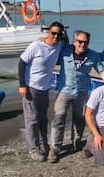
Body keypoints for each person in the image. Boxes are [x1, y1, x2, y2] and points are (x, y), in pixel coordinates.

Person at [48, 30, 104, 163]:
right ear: (74, 41)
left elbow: (102, 71)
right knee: (59, 117)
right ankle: (55, 148)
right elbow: (49, 49)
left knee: (80, 118)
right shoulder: (64, 50)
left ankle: (77, 141)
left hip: (82, 91)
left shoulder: (93, 56)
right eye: (80, 41)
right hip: (65, 90)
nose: (82, 44)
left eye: (86, 42)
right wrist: (44, 39)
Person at [18, 21, 65, 162]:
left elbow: (68, 44)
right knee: (32, 119)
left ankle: (45, 145)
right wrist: (22, 84)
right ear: (48, 32)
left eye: (58, 34)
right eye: (53, 33)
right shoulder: (36, 45)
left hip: (45, 88)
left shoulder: (59, 46)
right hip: (31, 87)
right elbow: (22, 62)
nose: (55, 36)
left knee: (43, 119)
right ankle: (34, 149)